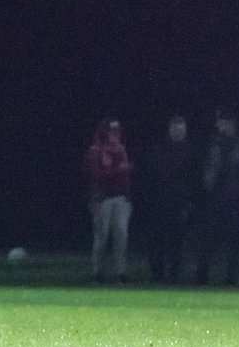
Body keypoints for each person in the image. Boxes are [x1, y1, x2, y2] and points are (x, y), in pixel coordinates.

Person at [196, 109, 239, 285]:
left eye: (225, 122)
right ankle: (201, 276)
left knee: (233, 240)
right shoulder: (211, 143)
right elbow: (205, 169)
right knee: (208, 238)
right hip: (215, 197)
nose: (222, 126)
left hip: (236, 198)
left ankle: (231, 277)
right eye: (220, 122)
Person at [143, 115, 195, 284]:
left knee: (177, 240)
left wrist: (189, 201)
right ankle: (156, 273)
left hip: (181, 203)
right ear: (170, 129)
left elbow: (194, 179)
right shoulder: (159, 148)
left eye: (181, 128)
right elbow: (152, 174)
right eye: (175, 128)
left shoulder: (191, 150)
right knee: (157, 239)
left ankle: (174, 273)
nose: (178, 131)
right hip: (160, 201)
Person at [83, 118, 132, 283]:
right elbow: (95, 176)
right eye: (111, 132)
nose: (114, 135)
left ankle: (120, 273)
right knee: (101, 238)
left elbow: (126, 178)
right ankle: (98, 273)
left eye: (117, 132)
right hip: (102, 199)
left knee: (121, 236)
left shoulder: (121, 149)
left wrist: (128, 197)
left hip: (120, 198)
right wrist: (117, 171)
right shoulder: (95, 151)